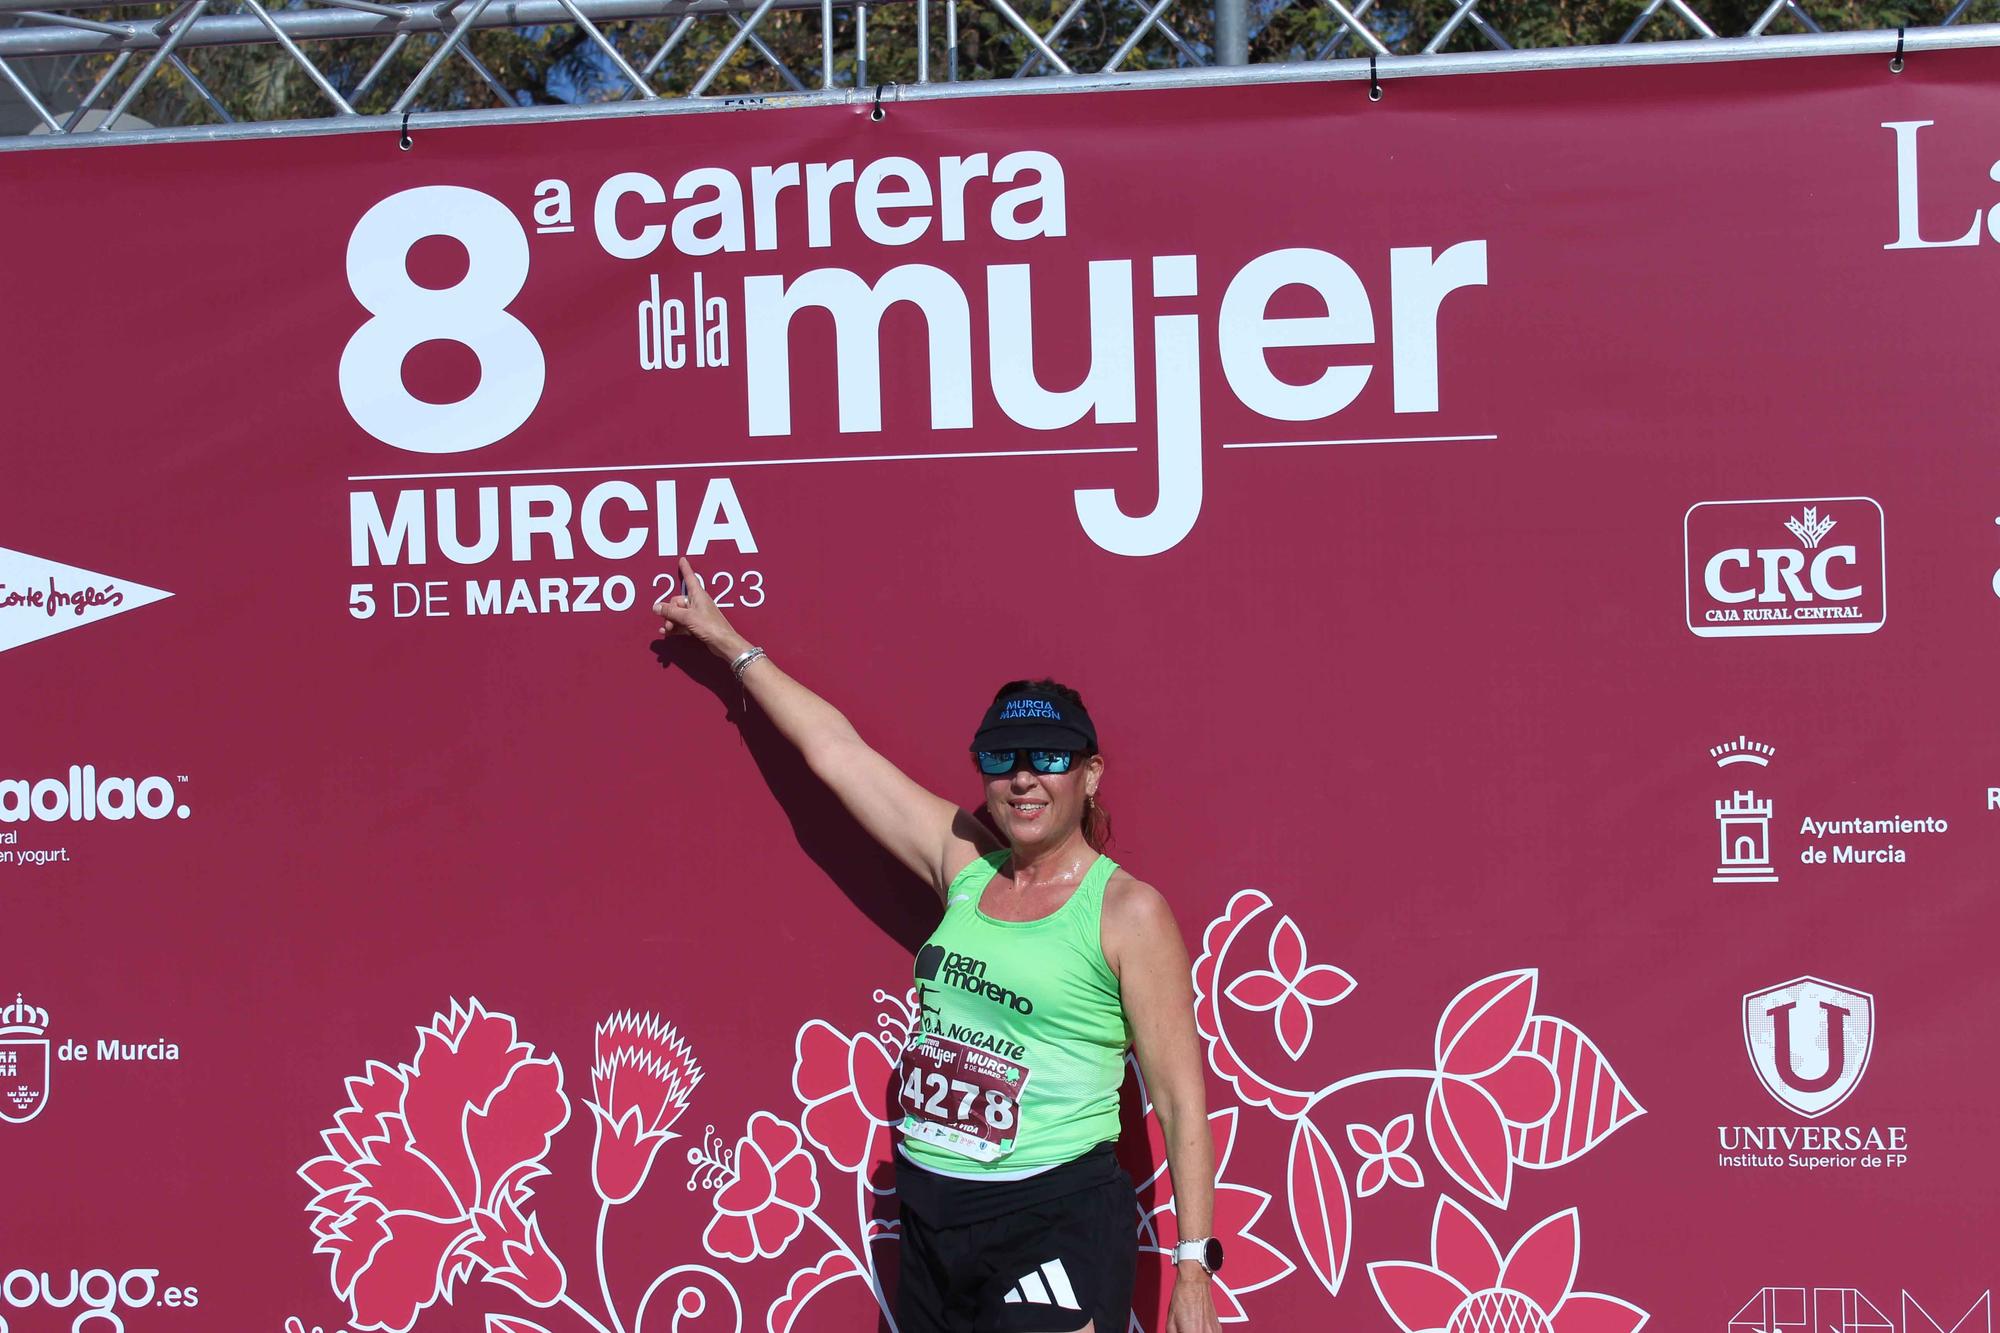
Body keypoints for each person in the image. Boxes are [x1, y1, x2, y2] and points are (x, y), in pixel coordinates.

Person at [654, 558, 1223, 1333]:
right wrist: (729, 645)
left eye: (1048, 759)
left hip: (1050, 1214)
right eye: (1001, 758)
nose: (1023, 779)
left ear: (1090, 775)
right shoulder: (966, 861)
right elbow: (840, 755)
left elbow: (1181, 1098)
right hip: (932, 1214)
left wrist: (1193, 1270)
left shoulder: (1126, 910)